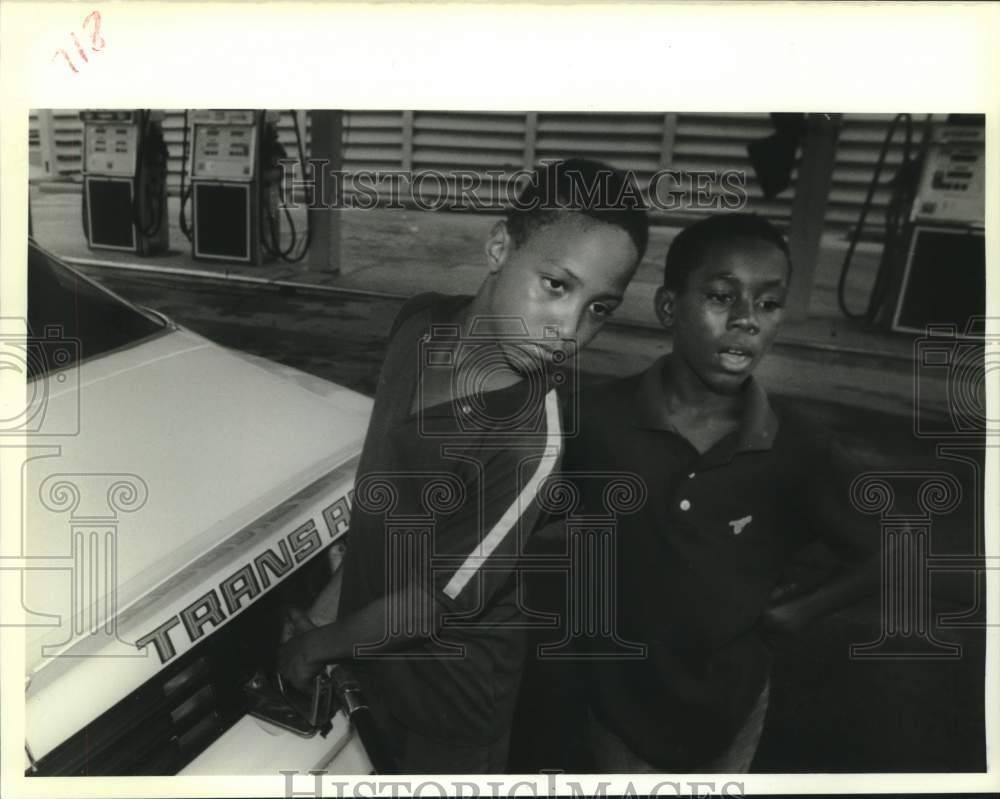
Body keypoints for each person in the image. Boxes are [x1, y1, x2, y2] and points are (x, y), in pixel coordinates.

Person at [278, 158, 649, 773]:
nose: (569, 330)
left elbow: (431, 604)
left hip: (445, 708)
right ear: (499, 245)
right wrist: (326, 611)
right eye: (557, 285)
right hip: (365, 655)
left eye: (599, 309)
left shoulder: (528, 442)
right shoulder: (418, 323)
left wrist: (315, 647)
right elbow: (387, 502)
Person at [558, 212, 881, 773]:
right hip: (616, 704)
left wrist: (795, 612)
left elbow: (892, 550)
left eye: (768, 304)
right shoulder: (596, 421)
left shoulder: (798, 447)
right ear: (668, 309)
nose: (746, 321)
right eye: (720, 297)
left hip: (727, 711)